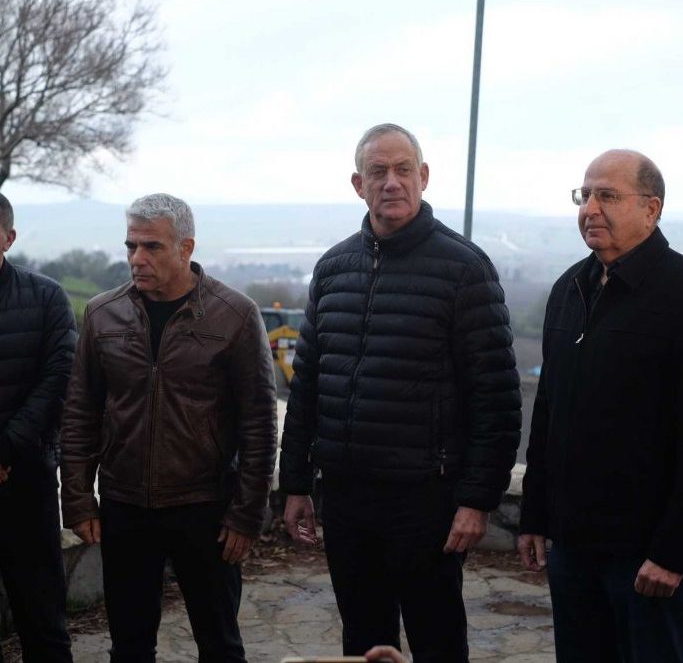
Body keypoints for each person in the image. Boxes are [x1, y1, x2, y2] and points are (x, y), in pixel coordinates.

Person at [280, 124, 521, 661]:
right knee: (363, 640)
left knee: (437, 638)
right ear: (357, 184)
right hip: (345, 495)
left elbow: (496, 398)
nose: (392, 182)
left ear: (424, 176)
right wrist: (295, 482)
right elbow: (309, 386)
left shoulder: (464, 269)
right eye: (378, 172)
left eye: (403, 170)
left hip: (426, 500)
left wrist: (477, 500)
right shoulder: (333, 268)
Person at [59, 193, 278, 662]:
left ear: (186, 248)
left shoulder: (235, 314)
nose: (137, 258)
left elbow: (259, 424)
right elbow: (80, 412)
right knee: (129, 645)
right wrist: (78, 498)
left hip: (205, 507)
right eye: (131, 245)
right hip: (125, 504)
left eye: (152, 246)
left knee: (219, 644)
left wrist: (246, 514)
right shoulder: (102, 314)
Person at [518, 150, 683, 662]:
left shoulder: (678, 292)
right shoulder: (570, 287)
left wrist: (673, 550)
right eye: (584, 194)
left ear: (651, 209)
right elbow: (549, 409)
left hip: (648, 557)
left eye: (607, 195)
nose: (590, 207)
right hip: (573, 548)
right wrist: (534, 513)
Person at [0, 193, 76, 662]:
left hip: (25, 481)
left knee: (42, 621)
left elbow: (58, 380)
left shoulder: (45, 297)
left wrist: (5, 450)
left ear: (8, 238)